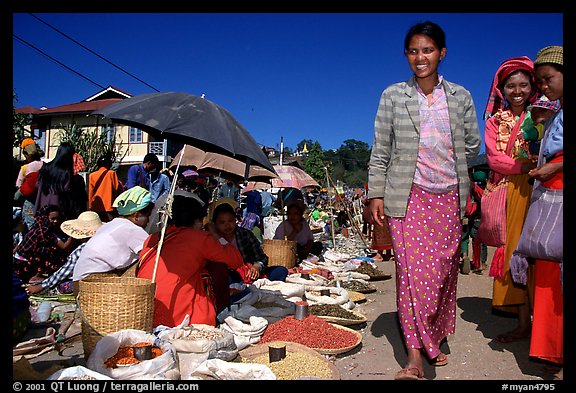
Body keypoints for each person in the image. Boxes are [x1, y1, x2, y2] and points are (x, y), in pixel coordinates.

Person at [366, 21, 481, 380]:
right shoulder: (393, 96)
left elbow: (473, 144)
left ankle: (434, 333)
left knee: (444, 270)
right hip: (408, 195)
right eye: (413, 51)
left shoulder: (460, 97)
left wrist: (451, 156)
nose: (420, 58)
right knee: (412, 275)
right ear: (406, 55)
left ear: (441, 53)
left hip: (448, 195)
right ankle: (415, 357)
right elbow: (381, 148)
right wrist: (376, 193)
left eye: (427, 50)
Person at [483, 56, 538, 344]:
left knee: (542, 256)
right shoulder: (495, 121)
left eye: (523, 85)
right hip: (512, 191)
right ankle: (522, 322)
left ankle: (543, 326)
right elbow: (494, 158)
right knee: (516, 252)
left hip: (541, 188)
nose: (517, 91)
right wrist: (523, 167)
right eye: (511, 86)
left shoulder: (544, 115)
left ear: (533, 86)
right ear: (502, 90)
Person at [137, 192, 244, 328]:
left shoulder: (153, 238)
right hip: (179, 318)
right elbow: (236, 260)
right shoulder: (199, 238)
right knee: (218, 268)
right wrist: (216, 234)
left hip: (147, 313)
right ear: (197, 221)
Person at [527, 45, 563, 378]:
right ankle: (550, 348)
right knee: (549, 270)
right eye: (540, 82)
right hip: (551, 192)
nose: (544, 87)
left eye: (548, 79)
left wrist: (556, 167)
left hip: (559, 191)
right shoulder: (556, 114)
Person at [71, 186, 154, 286]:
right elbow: (152, 255)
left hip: (78, 283)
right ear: (136, 215)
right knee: (149, 258)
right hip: (93, 282)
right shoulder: (132, 229)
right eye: (148, 216)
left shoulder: (110, 225)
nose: (148, 221)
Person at [26, 211, 103, 295]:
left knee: (63, 286)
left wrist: (42, 286)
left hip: (90, 282)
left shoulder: (83, 249)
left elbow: (65, 271)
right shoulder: (106, 243)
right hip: (104, 280)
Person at [212, 202, 288, 286]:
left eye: (230, 221)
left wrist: (256, 267)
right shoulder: (213, 239)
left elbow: (262, 257)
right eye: (222, 222)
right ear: (215, 224)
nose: (227, 225)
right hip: (230, 275)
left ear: (235, 220)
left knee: (281, 271)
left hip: (250, 273)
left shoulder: (245, 234)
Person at [13, 205, 76, 284]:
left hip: (21, 261)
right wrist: (73, 233)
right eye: (53, 219)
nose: (56, 221)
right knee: (51, 252)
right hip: (23, 264)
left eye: (57, 218)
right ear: (45, 218)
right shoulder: (44, 232)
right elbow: (64, 247)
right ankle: (34, 276)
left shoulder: (40, 227)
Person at [34, 141, 77, 220]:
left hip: (42, 206)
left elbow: (37, 185)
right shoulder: (65, 172)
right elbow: (66, 189)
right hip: (56, 210)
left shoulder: (46, 167)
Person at [14, 140, 44, 231]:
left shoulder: (25, 168)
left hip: (29, 201)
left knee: (29, 225)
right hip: (42, 199)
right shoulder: (45, 165)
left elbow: (18, 185)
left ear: (27, 155)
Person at [88, 152, 122, 222]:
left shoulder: (92, 175)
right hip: (109, 206)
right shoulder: (111, 173)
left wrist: (90, 206)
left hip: (96, 206)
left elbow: (90, 192)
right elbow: (116, 188)